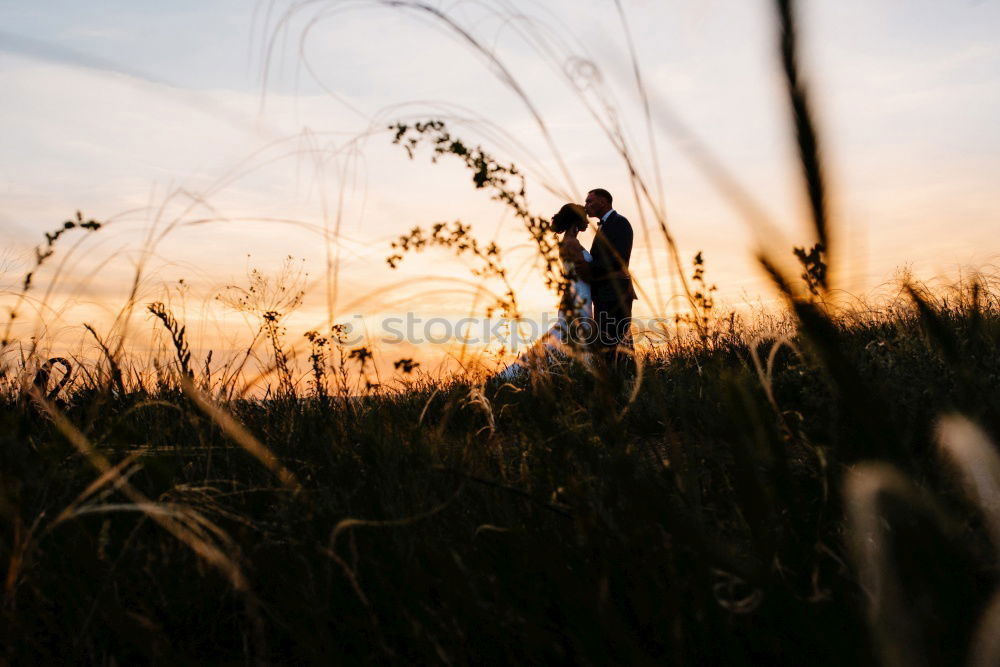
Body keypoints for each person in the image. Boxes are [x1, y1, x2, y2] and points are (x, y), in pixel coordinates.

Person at [497, 203, 593, 379]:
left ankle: (571, 372)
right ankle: (520, 373)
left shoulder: (568, 241)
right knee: (573, 334)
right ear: (576, 220)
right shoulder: (571, 243)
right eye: (584, 217)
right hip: (580, 295)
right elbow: (584, 271)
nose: (587, 221)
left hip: (577, 293)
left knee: (570, 335)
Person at [583, 188, 635, 362]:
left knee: (620, 342)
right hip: (605, 293)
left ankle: (627, 378)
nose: (586, 205)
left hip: (616, 293)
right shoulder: (605, 226)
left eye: (590, 201)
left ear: (603, 202)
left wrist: (585, 267)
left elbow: (617, 260)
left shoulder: (620, 223)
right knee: (607, 343)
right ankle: (615, 379)